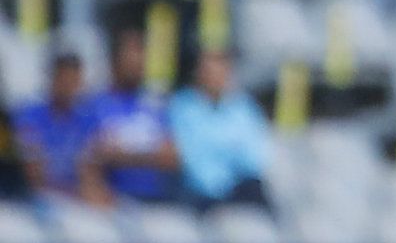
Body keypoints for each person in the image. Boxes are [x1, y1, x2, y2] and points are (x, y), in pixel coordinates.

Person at [168, 50, 273, 210]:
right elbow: (188, 156)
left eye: (221, 71)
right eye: (209, 71)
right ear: (198, 73)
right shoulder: (182, 106)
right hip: (197, 192)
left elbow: (254, 158)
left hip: (238, 187)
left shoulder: (243, 107)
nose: (215, 77)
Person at [85, 28, 180, 203]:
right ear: (115, 61)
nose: (138, 63)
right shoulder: (96, 104)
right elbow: (95, 155)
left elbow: (171, 158)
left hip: (157, 200)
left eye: (141, 56)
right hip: (113, 200)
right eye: (131, 56)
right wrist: (150, 155)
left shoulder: (155, 104)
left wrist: (123, 155)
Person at [13, 52, 108, 205]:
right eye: (64, 79)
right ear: (53, 78)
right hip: (33, 200)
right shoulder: (30, 117)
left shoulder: (86, 120)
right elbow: (35, 177)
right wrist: (75, 194)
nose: (69, 86)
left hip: (75, 200)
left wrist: (93, 193)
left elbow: (89, 172)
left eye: (74, 80)